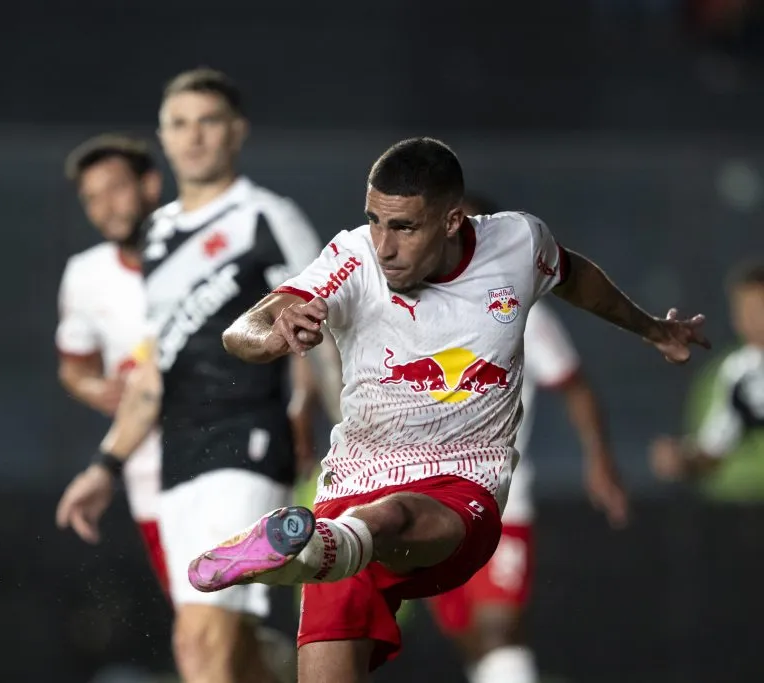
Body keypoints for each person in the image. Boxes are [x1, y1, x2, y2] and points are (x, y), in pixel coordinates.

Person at [186, 136, 710, 683]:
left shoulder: (517, 243)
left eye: (404, 227)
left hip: (462, 485)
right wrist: (270, 339)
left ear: (453, 219)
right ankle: (302, 548)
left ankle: (300, 549)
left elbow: (577, 280)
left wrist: (655, 330)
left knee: (397, 522)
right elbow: (241, 330)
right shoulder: (351, 259)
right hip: (351, 483)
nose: (384, 246)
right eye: (375, 221)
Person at [55, 68, 340, 683]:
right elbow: (155, 374)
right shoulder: (157, 238)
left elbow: (328, 336)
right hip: (178, 463)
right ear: (163, 135)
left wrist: (355, 442)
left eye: (208, 121)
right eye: (180, 124)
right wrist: (105, 466)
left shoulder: (267, 217)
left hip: (246, 445)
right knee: (227, 651)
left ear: (236, 132)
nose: (194, 137)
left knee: (199, 644)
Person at [426, 193, 629, 683]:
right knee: (473, 642)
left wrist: (599, 460)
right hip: (420, 503)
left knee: (500, 633)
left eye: (470, 228)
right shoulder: (409, 309)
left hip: (497, 499)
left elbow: (575, 385)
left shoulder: (519, 311)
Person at [54, 134, 169, 595]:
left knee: (212, 626)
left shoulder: (202, 250)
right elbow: (74, 368)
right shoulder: (85, 275)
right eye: (91, 198)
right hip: (144, 465)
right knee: (197, 623)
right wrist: (92, 388)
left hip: (223, 450)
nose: (105, 206)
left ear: (150, 185)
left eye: (116, 188)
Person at [650, 259, 764, 482]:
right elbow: (716, 445)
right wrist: (683, 458)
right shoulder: (739, 372)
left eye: (757, 308)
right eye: (741, 309)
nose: (747, 319)